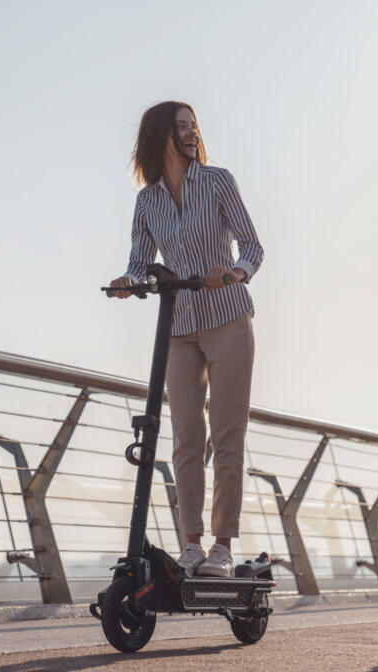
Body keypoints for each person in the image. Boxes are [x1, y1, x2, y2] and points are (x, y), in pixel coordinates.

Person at [108, 101, 263, 578]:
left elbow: (252, 246)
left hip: (227, 318)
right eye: (180, 127)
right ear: (160, 136)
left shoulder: (217, 182)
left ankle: (222, 546)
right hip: (177, 327)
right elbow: (140, 260)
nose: (191, 133)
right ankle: (191, 545)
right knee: (185, 438)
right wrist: (128, 281)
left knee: (227, 434)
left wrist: (234, 272)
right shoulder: (147, 200)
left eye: (193, 126)